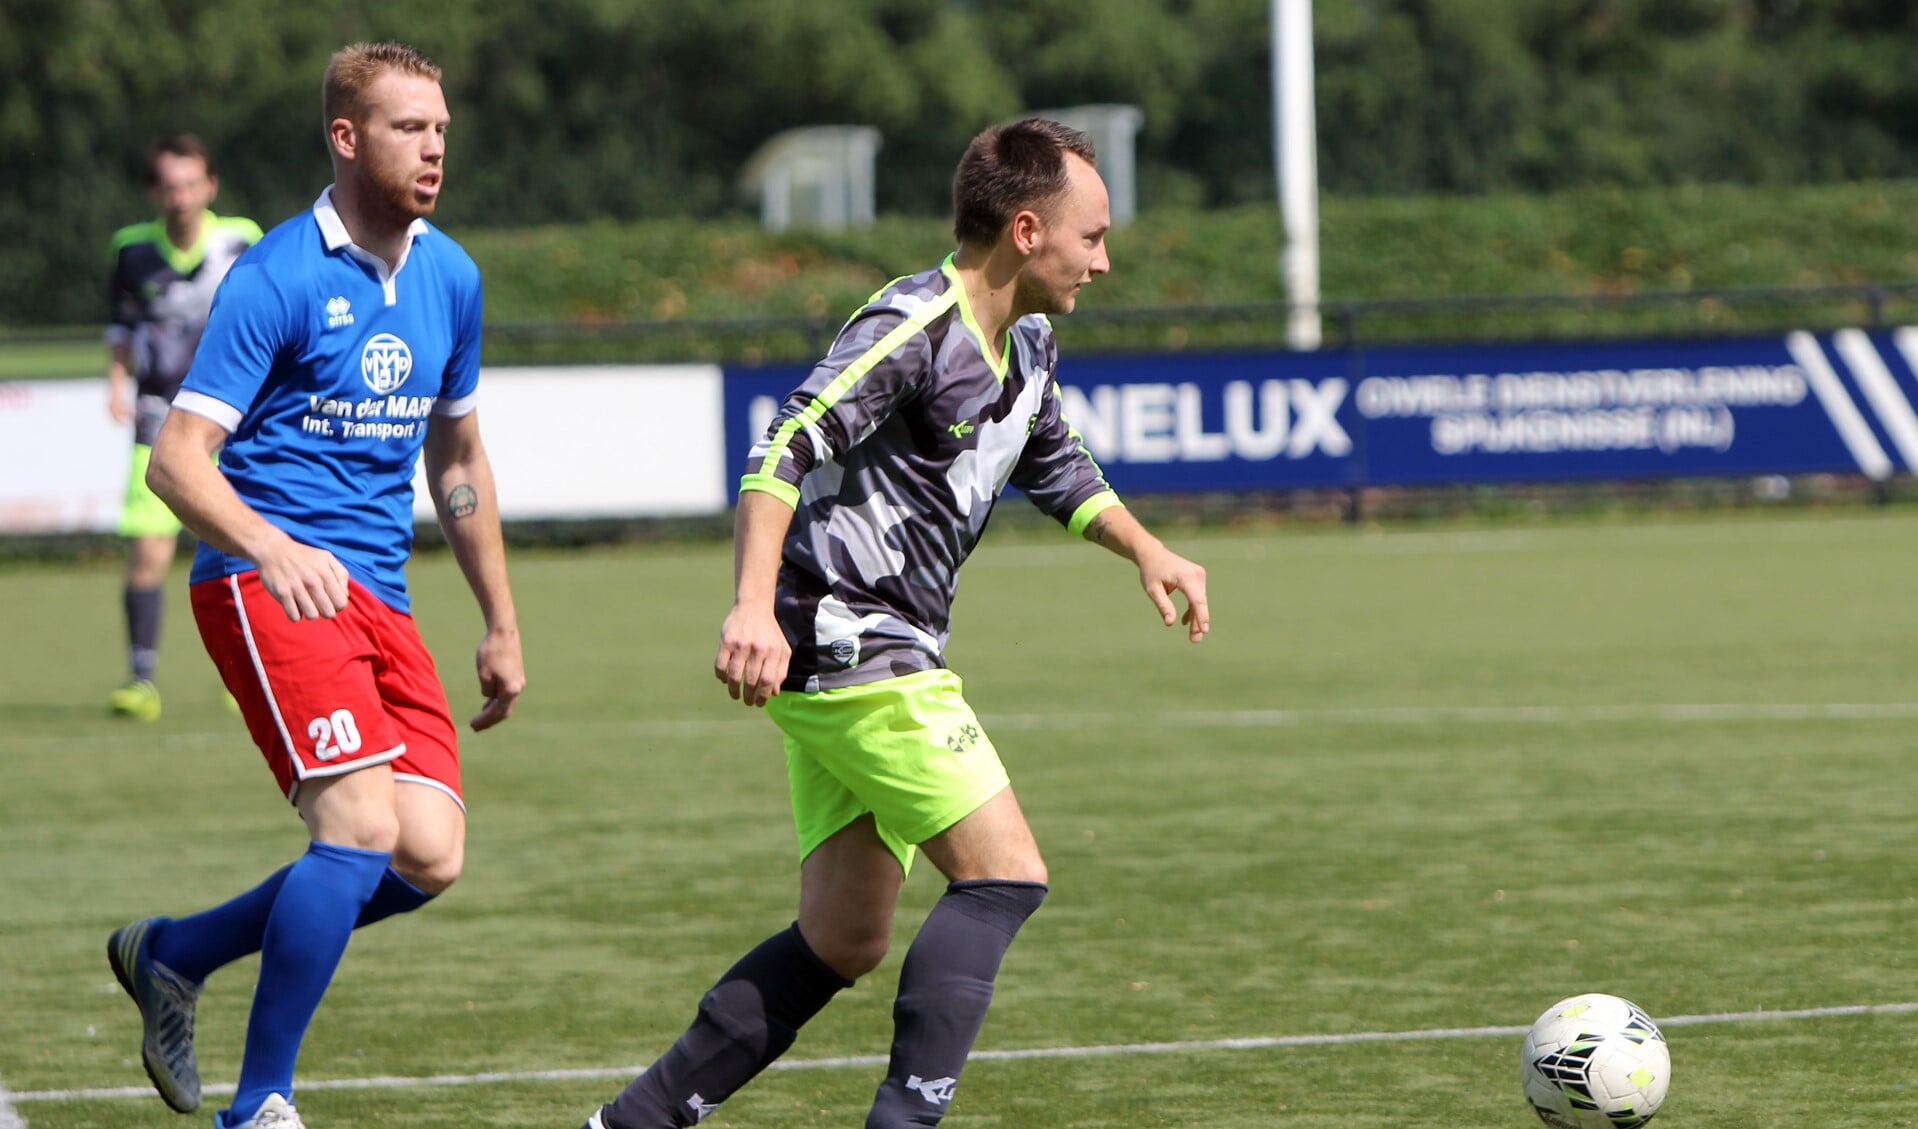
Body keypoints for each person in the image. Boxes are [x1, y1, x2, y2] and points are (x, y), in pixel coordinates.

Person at [584, 118, 1210, 1129]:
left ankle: (632, 1122)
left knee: (841, 937)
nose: (1104, 257)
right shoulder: (914, 325)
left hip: (864, 650)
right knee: (1004, 876)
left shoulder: (1033, 340)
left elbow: (1052, 464)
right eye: (1090, 235)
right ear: (1024, 229)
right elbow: (783, 443)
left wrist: (1148, 549)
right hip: (850, 640)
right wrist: (749, 603)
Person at [105, 42, 525, 1129]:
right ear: (347, 138)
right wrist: (270, 545)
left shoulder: (452, 275)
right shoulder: (278, 273)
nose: (433, 148)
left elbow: (459, 459)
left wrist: (500, 618)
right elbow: (176, 459)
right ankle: (262, 1104)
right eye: (406, 128)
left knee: (430, 851)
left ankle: (175, 952)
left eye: (440, 128)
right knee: (355, 830)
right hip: (262, 584)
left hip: (377, 593)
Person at [104, 134, 262, 721]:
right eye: (170, 186)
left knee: (237, 545)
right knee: (148, 551)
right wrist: (116, 386)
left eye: (191, 184)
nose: (181, 196)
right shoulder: (131, 253)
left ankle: (245, 670)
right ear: (155, 192)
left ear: (210, 187)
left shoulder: (241, 240)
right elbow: (120, 330)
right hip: (156, 421)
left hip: (231, 424)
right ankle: (141, 679)